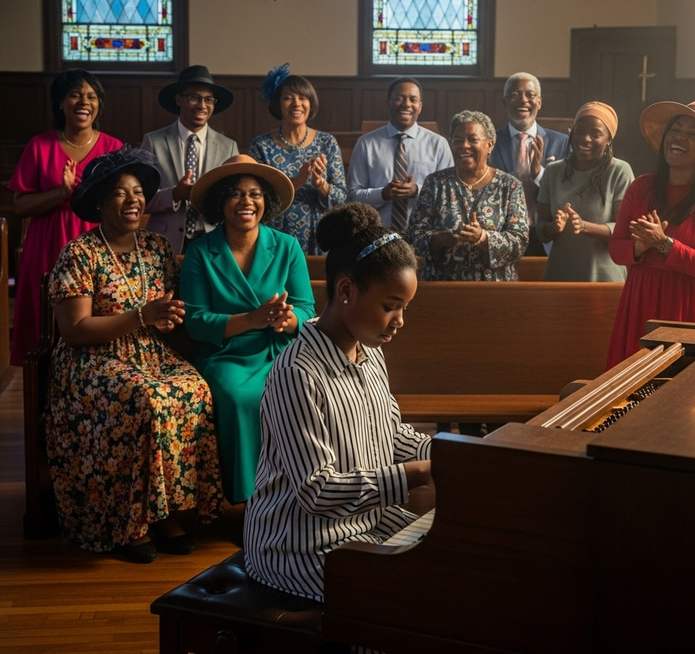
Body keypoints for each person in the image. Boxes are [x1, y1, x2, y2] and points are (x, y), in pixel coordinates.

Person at [243, 202, 433, 602]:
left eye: (405, 308)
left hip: (364, 525)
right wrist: (416, 474)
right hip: (297, 546)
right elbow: (316, 491)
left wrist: (447, 452)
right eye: (390, 306)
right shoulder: (297, 373)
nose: (400, 320)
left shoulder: (369, 351)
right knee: (402, 601)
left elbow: (389, 433)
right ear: (346, 290)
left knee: (451, 573)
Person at [45, 147, 224, 563]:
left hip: (148, 352)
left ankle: (162, 512)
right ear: (100, 202)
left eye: (139, 192)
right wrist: (143, 315)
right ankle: (128, 522)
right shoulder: (80, 252)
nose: (133, 200)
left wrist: (168, 318)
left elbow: (172, 310)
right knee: (144, 398)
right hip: (90, 361)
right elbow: (74, 330)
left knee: (194, 388)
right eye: (120, 193)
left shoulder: (158, 248)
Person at [180, 154, 317, 504]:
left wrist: (289, 321)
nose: (247, 202)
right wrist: (252, 319)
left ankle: (299, 494)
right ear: (220, 202)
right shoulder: (199, 252)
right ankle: (248, 501)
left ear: (266, 201)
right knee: (241, 399)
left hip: (280, 351)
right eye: (235, 194)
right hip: (226, 355)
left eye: (255, 194)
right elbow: (196, 321)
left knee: (301, 392)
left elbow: (306, 308)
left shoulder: (286, 247)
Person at [606, 99, 695, 367]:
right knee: (633, 397)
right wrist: (639, 247)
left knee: (691, 399)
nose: (679, 137)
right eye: (675, 130)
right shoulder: (640, 187)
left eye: (692, 134)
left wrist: (665, 244)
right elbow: (616, 248)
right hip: (640, 303)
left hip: (691, 309)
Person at [9, 69, 122, 366]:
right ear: (60, 103)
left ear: (98, 104)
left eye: (91, 96)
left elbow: (122, 206)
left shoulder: (113, 149)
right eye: (74, 94)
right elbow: (20, 206)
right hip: (46, 247)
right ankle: (40, 403)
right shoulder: (39, 146)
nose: (83, 102)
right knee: (42, 331)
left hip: (96, 247)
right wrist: (61, 192)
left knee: (93, 327)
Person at [407, 110, 529, 281]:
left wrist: (483, 238)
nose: (464, 145)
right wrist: (438, 239)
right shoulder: (435, 183)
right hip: (442, 288)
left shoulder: (510, 186)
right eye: (457, 140)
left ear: (490, 145)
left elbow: (520, 241)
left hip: (495, 289)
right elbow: (413, 235)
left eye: (472, 139)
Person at [248, 64, 347, 254]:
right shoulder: (260, 145)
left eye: (303, 98)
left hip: (320, 239)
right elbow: (256, 198)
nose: (296, 104)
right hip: (274, 239)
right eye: (288, 98)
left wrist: (320, 184)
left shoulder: (327, 142)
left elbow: (341, 199)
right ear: (277, 104)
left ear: (311, 103)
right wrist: (297, 181)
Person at [142, 64, 239, 253]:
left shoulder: (229, 147)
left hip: (212, 242)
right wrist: (175, 194)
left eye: (209, 99)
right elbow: (140, 198)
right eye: (194, 97)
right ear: (179, 99)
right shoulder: (153, 141)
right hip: (163, 243)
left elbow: (233, 199)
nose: (202, 105)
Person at [536, 101, 634, 281]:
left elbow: (624, 230)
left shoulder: (619, 171)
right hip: (560, 274)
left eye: (596, 134)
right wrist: (553, 227)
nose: (586, 138)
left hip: (603, 276)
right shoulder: (553, 171)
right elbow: (541, 229)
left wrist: (584, 226)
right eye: (580, 131)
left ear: (609, 139)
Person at [346, 76, 453, 232]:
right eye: (399, 98)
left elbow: (449, 194)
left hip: (425, 233)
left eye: (413, 100)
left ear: (420, 106)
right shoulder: (366, 144)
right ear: (388, 103)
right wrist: (383, 194)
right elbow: (353, 196)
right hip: (377, 232)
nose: (406, 104)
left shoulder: (438, 144)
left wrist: (417, 190)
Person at [489, 72, 569, 255]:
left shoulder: (561, 142)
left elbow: (566, 190)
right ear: (505, 102)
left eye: (530, 95)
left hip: (547, 233)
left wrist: (538, 173)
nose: (523, 100)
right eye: (515, 95)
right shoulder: (490, 142)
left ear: (539, 102)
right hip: (503, 235)